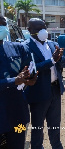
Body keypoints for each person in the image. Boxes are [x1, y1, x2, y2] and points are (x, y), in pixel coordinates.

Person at [23, 18, 65, 149]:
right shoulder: (25, 47)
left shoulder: (52, 44)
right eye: (38, 29)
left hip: (55, 90)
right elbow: (31, 69)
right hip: (39, 92)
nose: (42, 31)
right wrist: (52, 60)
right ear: (29, 30)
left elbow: (63, 63)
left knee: (55, 125)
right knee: (37, 127)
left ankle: (57, 146)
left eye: (44, 28)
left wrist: (60, 58)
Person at [0, 14, 37, 149]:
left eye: (3, 24)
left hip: (18, 115)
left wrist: (30, 79)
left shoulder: (18, 47)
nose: (1, 27)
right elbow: (16, 79)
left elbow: (28, 69)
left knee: (18, 144)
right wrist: (14, 80)